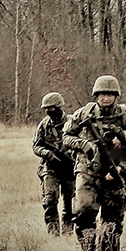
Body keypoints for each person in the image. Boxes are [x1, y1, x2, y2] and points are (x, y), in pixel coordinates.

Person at [62, 75, 126, 251]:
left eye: (110, 94)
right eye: (102, 94)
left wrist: (122, 167)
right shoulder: (84, 113)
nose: (105, 98)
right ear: (95, 95)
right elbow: (66, 137)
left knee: (113, 217)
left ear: (116, 96)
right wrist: (84, 145)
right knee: (83, 211)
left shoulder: (125, 116)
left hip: (114, 171)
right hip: (87, 170)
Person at [32, 92, 75, 235]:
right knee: (50, 200)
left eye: (52, 108)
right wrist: (47, 154)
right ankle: (53, 234)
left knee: (70, 203)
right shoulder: (44, 125)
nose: (50, 111)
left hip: (70, 168)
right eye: (47, 108)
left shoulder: (72, 122)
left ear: (59, 107)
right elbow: (36, 146)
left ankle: (68, 232)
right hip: (50, 168)